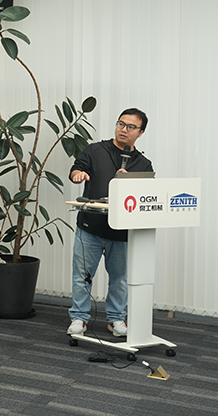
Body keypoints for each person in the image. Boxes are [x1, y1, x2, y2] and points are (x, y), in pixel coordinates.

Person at [67, 108, 154, 337]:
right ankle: (79, 318)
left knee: (120, 280)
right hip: (91, 227)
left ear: (141, 132)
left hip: (122, 232)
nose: (124, 129)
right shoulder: (96, 150)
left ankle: (116, 319)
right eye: (121, 124)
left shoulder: (144, 164)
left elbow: (146, 196)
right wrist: (78, 174)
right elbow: (77, 168)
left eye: (131, 127)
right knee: (82, 276)